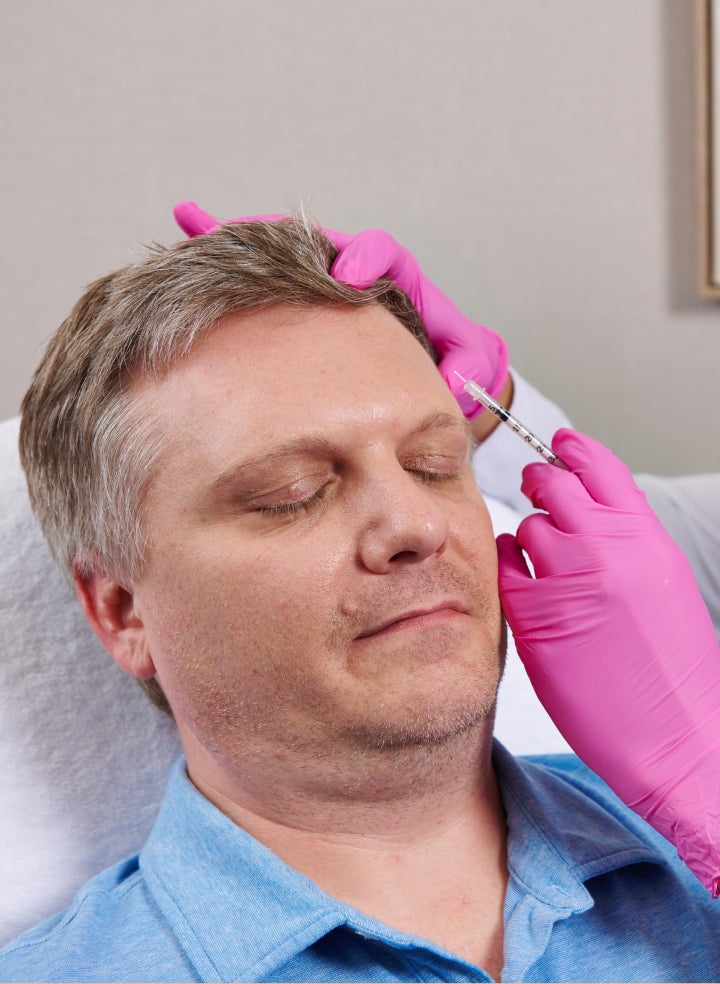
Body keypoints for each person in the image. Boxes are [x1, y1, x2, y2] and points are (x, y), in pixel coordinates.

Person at [2, 216, 720, 983]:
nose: (414, 525)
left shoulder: (690, 832)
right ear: (123, 611)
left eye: (436, 462)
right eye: (294, 494)